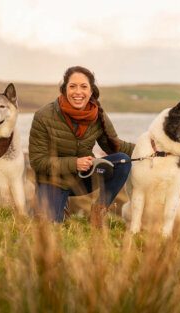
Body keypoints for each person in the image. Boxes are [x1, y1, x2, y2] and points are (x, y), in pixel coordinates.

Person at [29, 66, 135, 224]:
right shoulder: (43, 116)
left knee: (123, 160)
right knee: (50, 226)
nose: (78, 92)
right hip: (52, 180)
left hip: (84, 177)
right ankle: (59, 205)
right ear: (65, 89)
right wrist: (75, 163)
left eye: (84, 87)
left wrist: (153, 146)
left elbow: (114, 146)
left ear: (91, 91)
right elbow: (38, 161)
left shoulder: (97, 115)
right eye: (72, 86)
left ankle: (98, 213)